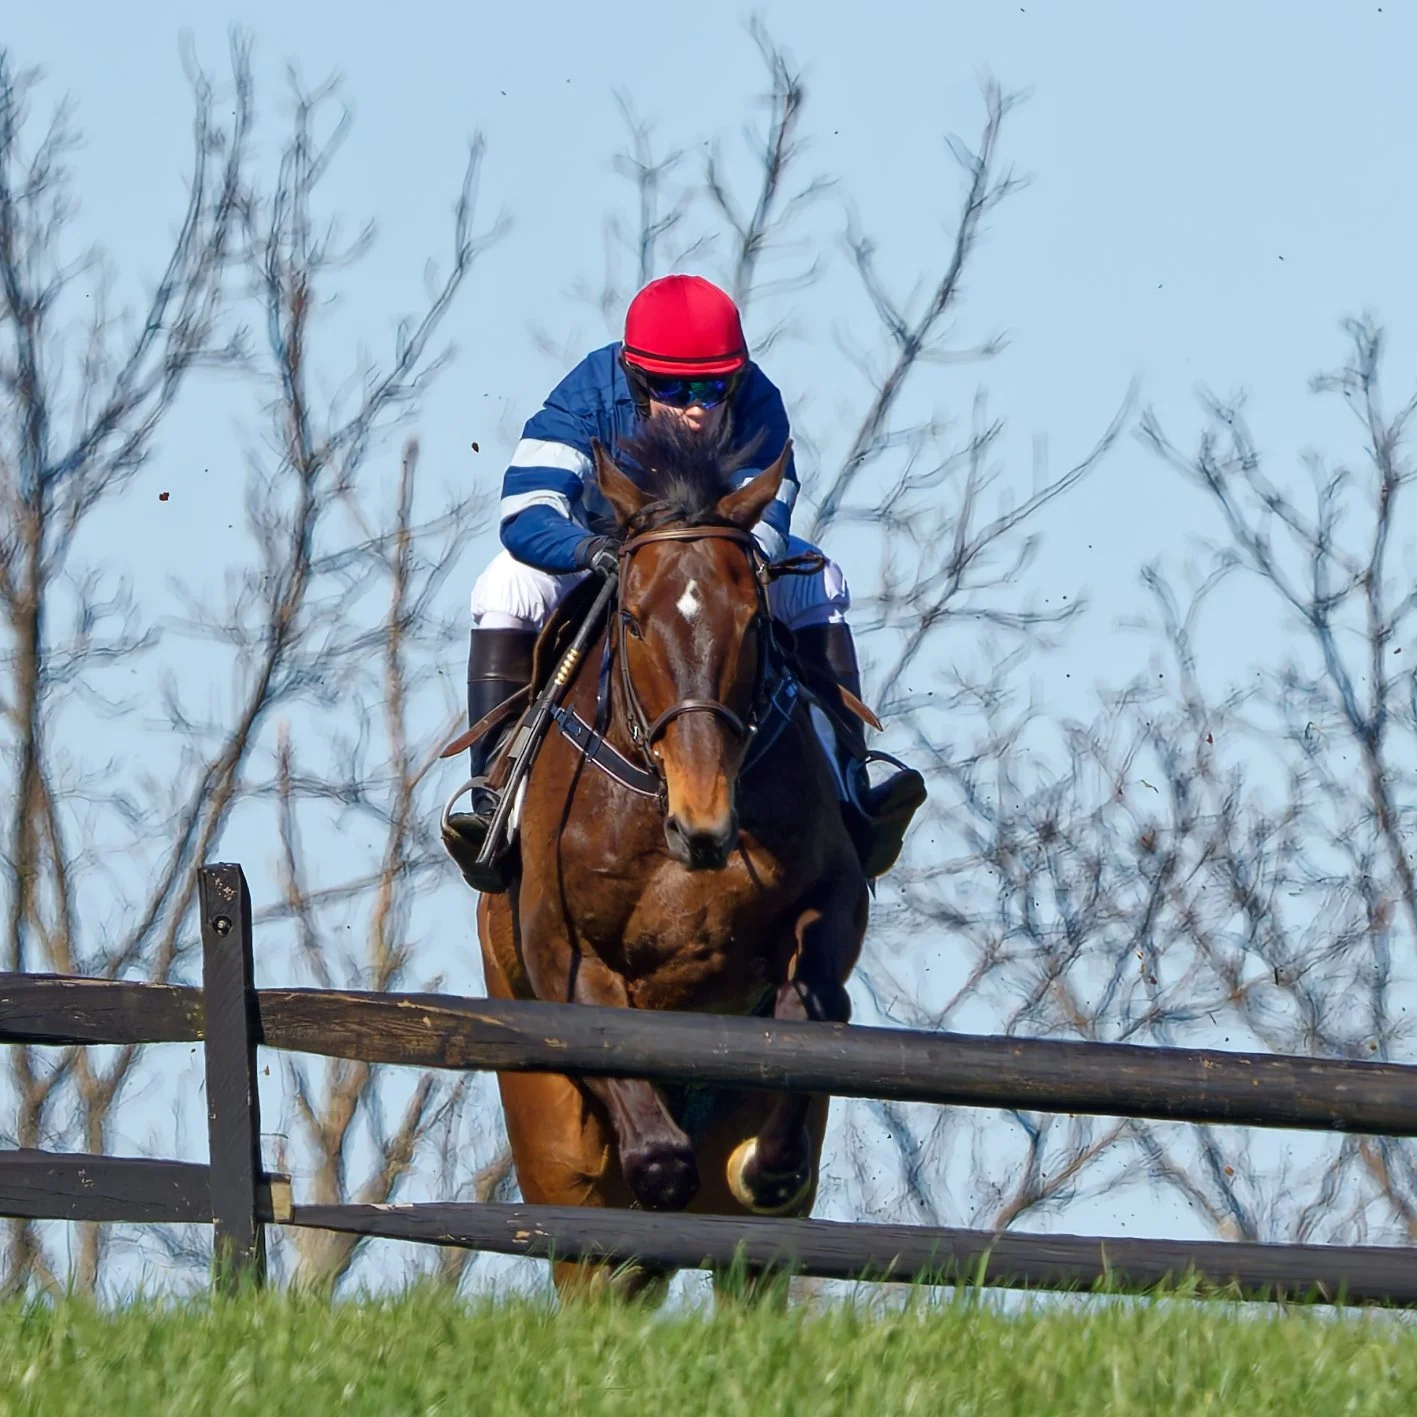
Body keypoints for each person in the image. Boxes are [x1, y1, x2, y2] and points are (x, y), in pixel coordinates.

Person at [445, 274, 925, 885]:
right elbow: (526, 509)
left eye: (711, 386)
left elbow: (769, 520)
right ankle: (495, 802)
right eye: (672, 387)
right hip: (599, 561)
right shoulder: (585, 395)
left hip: (714, 571)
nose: (696, 408)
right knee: (503, 586)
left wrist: (710, 566)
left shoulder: (758, 402)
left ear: (737, 376)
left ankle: (851, 788)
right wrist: (590, 549)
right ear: (636, 379)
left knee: (818, 581)